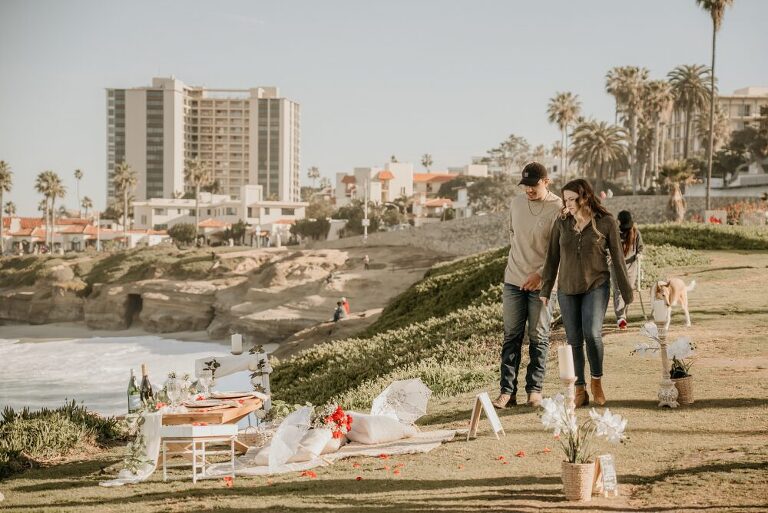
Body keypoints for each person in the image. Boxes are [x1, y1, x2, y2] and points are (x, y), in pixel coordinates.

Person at [540, 179, 633, 407]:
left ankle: (596, 382)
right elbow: (552, 258)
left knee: (592, 334)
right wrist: (545, 289)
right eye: (566, 199)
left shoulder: (606, 222)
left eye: (572, 199)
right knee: (573, 341)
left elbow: (619, 261)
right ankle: (579, 389)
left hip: (596, 285)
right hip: (567, 289)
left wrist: (626, 293)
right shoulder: (561, 222)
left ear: (585, 197)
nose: (568, 204)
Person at [492, 162, 563, 410]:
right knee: (511, 336)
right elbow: (513, 235)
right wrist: (520, 268)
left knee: (539, 338)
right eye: (526, 186)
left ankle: (535, 391)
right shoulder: (516, 203)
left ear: (546, 182)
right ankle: (506, 392)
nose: (529, 191)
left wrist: (541, 275)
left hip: (543, 285)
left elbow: (560, 250)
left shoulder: (558, 207)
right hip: (513, 279)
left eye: (533, 185)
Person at [612, 210, 644, 329]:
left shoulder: (635, 233)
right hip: (616, 266)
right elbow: (607, 248)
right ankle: (621, 317)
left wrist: (639, 254)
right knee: (619, 291)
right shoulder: (614, 232)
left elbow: (640, 247)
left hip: (631, 266)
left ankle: (624, 315)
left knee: (628, 291)